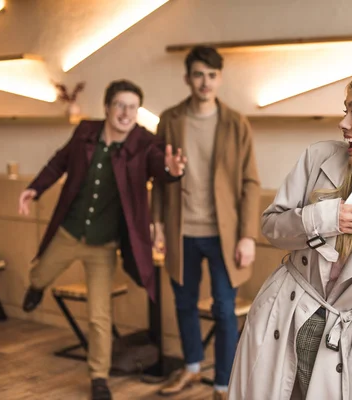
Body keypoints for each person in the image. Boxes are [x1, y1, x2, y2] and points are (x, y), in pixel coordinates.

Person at [228, 67, 352, 400]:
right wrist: (323, 218)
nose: (344, 123)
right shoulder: (319, 157)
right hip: (284, 316)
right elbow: (271, 227)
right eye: (346, 110)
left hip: (345, 337)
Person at [18, 80, 185, 400]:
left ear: (138, 112)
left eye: (132, 107)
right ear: (107, 107)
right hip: (69, 232)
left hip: (104, 247)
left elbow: (159, 167)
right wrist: (34, 188)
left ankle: (98, 377)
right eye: (119, 105)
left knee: (99, 315)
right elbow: (59, 162)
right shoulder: (84, 133)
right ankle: (36, 286)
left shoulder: (145, 142)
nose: (125, 113)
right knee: (39, 273)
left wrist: (172, 170)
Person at [152, 46, 261, 400]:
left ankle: (223, 384)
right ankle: (192, 368)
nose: (205, 82)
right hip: (180, 229)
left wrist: (247, 236)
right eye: (198, 74)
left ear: (220, 78)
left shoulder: (235, 123)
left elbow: (250, 182)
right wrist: (156, 223)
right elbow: (158, 176)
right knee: (183, 303)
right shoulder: (169, 119)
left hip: (223, 234)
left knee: (224, 308)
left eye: (212, 75)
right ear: (188, 78)